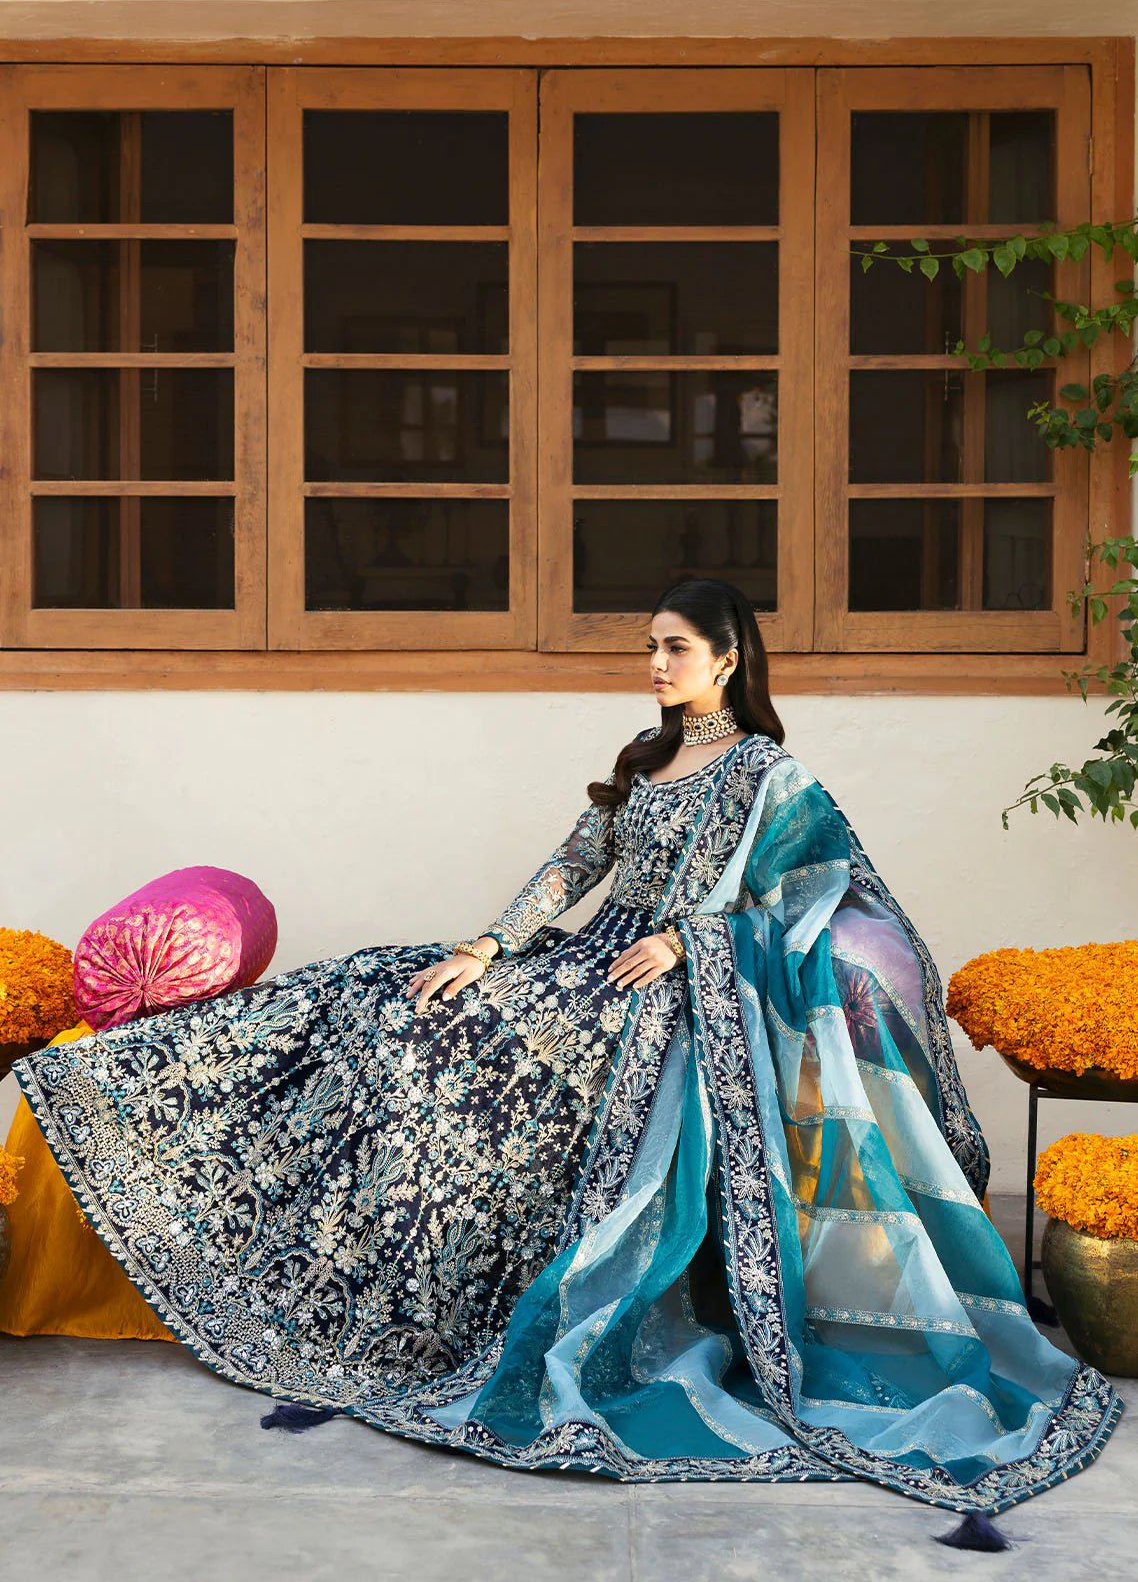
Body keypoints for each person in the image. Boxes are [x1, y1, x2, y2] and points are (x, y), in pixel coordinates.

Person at [11, 576, 1121, 1551]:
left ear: (729, 656)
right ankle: (183, 1126)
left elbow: (826, 897)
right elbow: (569, 866)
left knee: (463, 1048)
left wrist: (695, 939)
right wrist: (485, 945)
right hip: (586, 962)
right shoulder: (646, 760)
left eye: (674, 647)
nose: (655, 664)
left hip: (673, 992)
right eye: (649, 647)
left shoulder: (769, 776)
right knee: (384, 998)